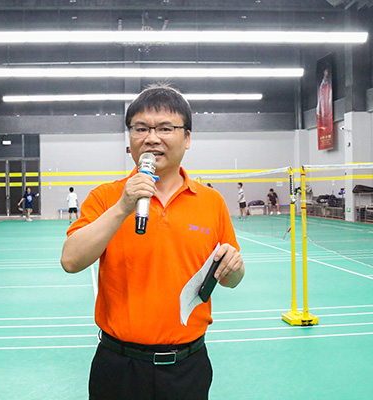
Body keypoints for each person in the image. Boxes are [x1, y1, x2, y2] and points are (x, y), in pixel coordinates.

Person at [61, 84, 244, 400]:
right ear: (130, 138)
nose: (152, 138)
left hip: (188, 368)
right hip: (119, 366)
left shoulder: (211, 202)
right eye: (140, 128)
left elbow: (231, 279)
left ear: (187, 138)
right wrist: (123, 207)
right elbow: (70, 260)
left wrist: (235, 266)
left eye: (165, 128)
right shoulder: (105, 197)